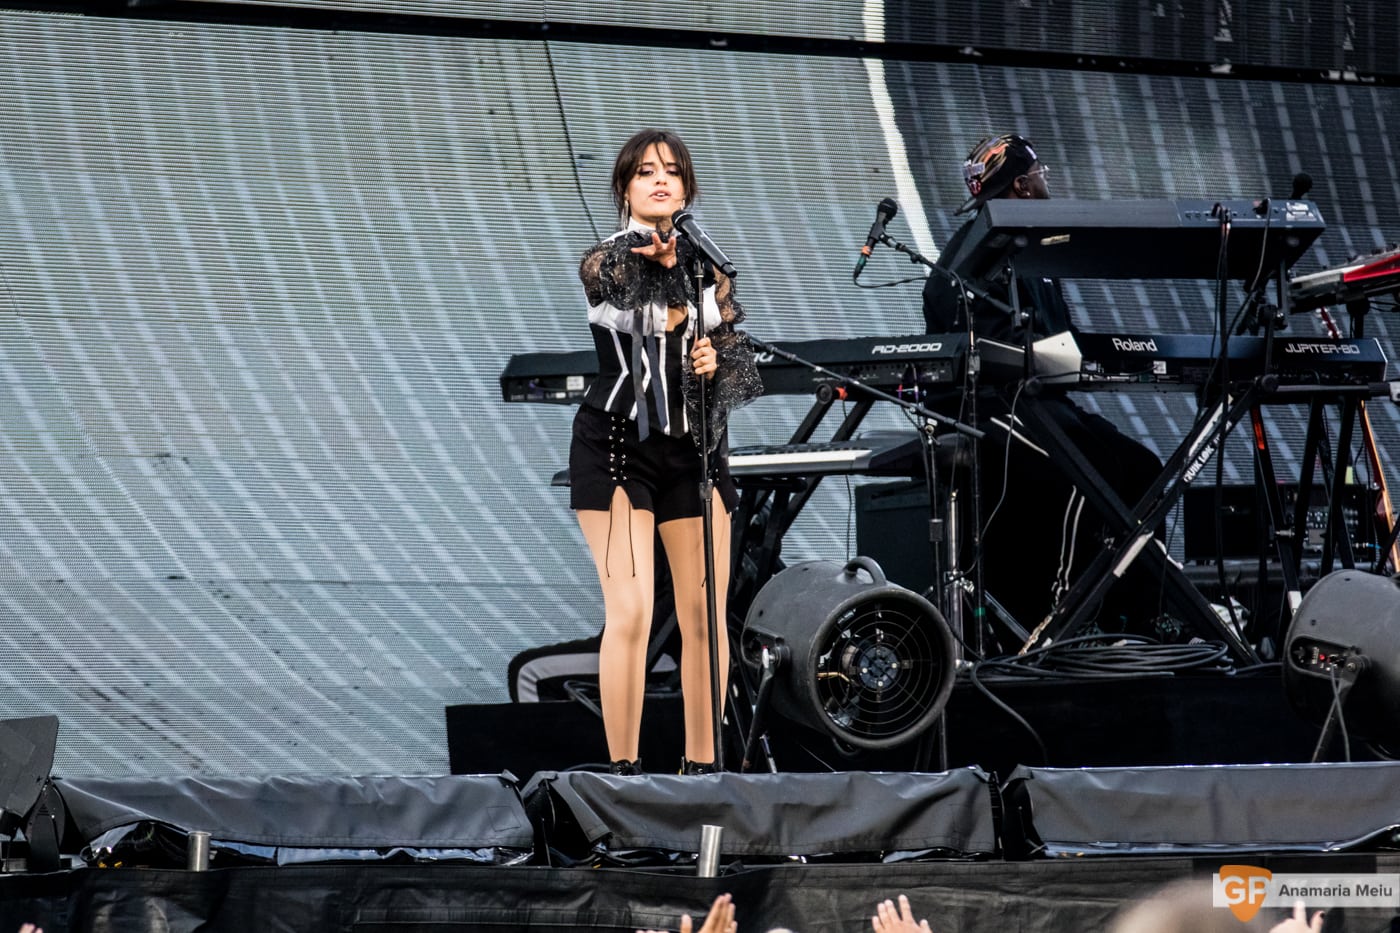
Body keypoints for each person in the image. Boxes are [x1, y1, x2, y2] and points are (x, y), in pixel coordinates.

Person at [922, 133, 1167, 646]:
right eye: (1039, 174)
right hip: (994, 408)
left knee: (1144, 470)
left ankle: (1143, 618)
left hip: (1045, 401)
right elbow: (979, 341)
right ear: (1020, 187)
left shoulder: (1035, 250)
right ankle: (1061, 622)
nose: (1046, 180)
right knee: (1087, 475)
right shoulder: (973, 254)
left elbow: (1057, 345)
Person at [573, 129, 761, 775]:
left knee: (705, 616)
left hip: (697, 452)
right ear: (624, 186)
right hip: (620, 445)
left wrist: (716, 360)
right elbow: (621, 299)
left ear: (688, 187)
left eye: (674, 172)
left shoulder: (709, 266)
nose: (661, 181)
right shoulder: (607, 259)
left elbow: (742, 370)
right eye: (646, 171)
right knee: (630, 610)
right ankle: (622, 775)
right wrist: (680, 311)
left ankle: (702, 770)